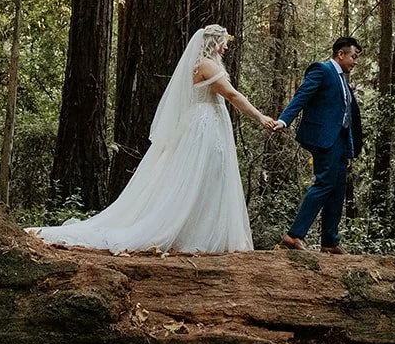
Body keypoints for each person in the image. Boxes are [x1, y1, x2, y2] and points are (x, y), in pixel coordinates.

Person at [30, 25, 274, 253]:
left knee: (211, 175)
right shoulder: (206, 65)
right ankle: (188, 233)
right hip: (204, 125)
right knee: (198, 174)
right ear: (214, 42)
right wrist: (260, 117)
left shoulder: (207, 64)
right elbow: (231, 94)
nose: (227, 46)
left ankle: (201, 232)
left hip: (210, 123)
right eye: (224, 41)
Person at [273, 36, 364, 254]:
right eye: (353, 56)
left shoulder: (343, 79)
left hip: (342, 140)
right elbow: (302, 96)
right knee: (324, 183)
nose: (355, 61)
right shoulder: (322, 70)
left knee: (338, 188)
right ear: (340, 54)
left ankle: (330, 242)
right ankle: (294, 235)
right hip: (324, 138)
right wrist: (284, 120)